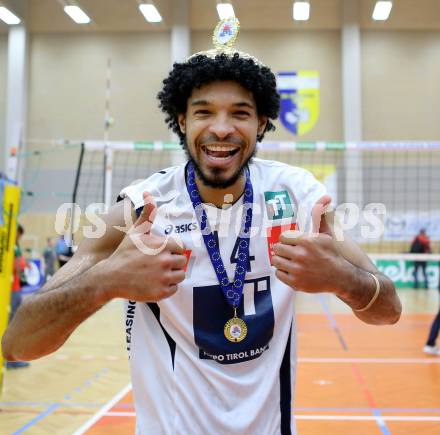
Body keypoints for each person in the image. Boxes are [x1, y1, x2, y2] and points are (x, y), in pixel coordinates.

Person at [2, 18, 401, 434]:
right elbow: (19, 342)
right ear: (182, 121)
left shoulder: (299, 198)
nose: (222, 128)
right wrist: (106, 281)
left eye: (240, 113)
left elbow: (389, 311)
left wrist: (342, 278)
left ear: (262, 122)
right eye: (204, 112)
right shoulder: (139, 211)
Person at [6, 224, 30, 369]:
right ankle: (10, 360)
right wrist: (22, 265)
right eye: (19, 234)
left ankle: (10, 359)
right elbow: (16, 267)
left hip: (14, 289)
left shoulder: (13, 247)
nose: (19, 237)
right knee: (12, 325)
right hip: (12, 290)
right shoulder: (12, 248)